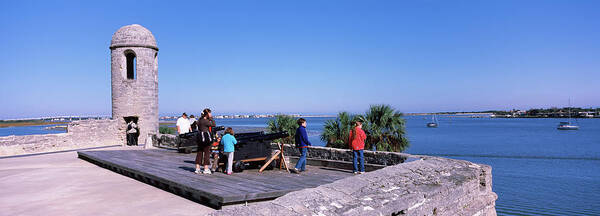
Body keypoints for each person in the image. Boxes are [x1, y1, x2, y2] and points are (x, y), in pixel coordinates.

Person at [195, 108, 216, 174]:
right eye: (210, 113)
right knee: (207, 152)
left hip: (199, 137)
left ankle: (197, 168)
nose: (211, 114)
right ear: (207, 114)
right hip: (206, 137)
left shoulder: (199, 120)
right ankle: (206, 168)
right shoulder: (205, 121)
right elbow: (213, 124)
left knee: (199, 152)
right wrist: (211, 118)